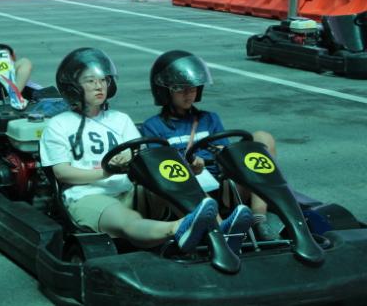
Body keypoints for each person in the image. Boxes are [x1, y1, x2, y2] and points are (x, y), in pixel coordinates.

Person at [38, 47, 241, 252]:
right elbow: (62, 173)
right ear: (73, 87)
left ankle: (222, 231)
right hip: (88, 195)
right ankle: (179, 228)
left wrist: (132, 157)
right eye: (90, 81)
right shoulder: (59, 124)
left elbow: (144, 158)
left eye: (103, 80)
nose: (99, 86)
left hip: (129, 189)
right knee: (129, 219)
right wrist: (106, 172)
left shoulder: (120, 119)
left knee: (178, 182)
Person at [142, 50, 279, 245]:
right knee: (188, 187)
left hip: (223, 186)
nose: (189, 93)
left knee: (263, 138)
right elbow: (159, 169)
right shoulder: (153, 126)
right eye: (180, 88)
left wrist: (222, 157)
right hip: (186, 191)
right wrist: (189, 168)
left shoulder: (209, 119)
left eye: (193, 87)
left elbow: (227, 155)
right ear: (164, 91)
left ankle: (259, 218)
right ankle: (222, 234)